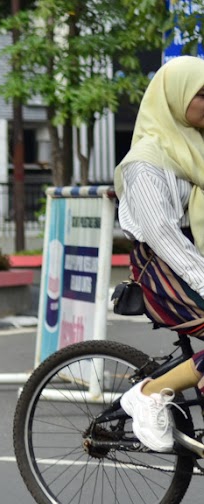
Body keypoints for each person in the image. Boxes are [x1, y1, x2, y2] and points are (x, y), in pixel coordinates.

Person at [115, 55, 204, 454]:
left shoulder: (197, 147)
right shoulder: (145, 162)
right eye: (202, 95)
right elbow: (163, 235)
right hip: (167, 270)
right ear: (174, 98)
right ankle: (150, 393)